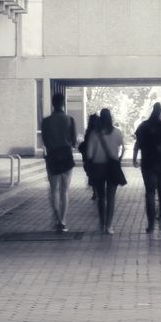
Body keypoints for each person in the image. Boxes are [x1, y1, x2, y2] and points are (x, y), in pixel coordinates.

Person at [132, 102, 161, 232]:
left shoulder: (143, 126)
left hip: (148, 163)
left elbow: (137, 144)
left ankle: (151, 223)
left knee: (150, 193)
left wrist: (134, 158)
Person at [85, 108, 127, 234]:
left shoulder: (94, 133)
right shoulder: (117, 132)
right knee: (111, 197)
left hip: (98, 167)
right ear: (111, 118)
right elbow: (122, 147)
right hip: (112, 167)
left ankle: (102, 224)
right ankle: (109, 226)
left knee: (101, 197)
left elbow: (89, 154)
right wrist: (118, 158)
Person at [40, 92, 77, 232]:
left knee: (54, 189)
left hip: (52, 155)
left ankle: (56, 218)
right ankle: (63, 220)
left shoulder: (46, 121)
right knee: (64, 190)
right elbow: (73, 141)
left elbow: (44, 140)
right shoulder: (70, 120)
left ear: (52, 104)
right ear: (63, 103)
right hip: (66, 154)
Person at [80, 113, 101, 199]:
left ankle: (95, 192)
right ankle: (98, 191)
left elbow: (86, 144)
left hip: (89, 157)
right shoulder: (100, 131)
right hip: (98, 156)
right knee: (98, 175)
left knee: (92, 175)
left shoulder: (88, 132)